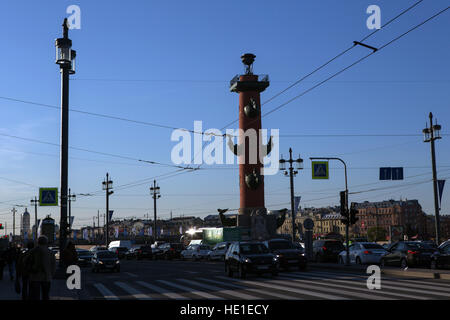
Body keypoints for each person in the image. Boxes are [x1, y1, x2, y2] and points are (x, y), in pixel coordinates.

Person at [27, 236, 56, 300]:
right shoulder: (50, 252)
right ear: (46, 242)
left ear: (38, 242)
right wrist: (51, 275)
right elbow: (53, 265)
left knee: (35, 296)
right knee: (45, 295)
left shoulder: (32, 251)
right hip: (46, 277)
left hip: (34, 277)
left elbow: (26, 262)